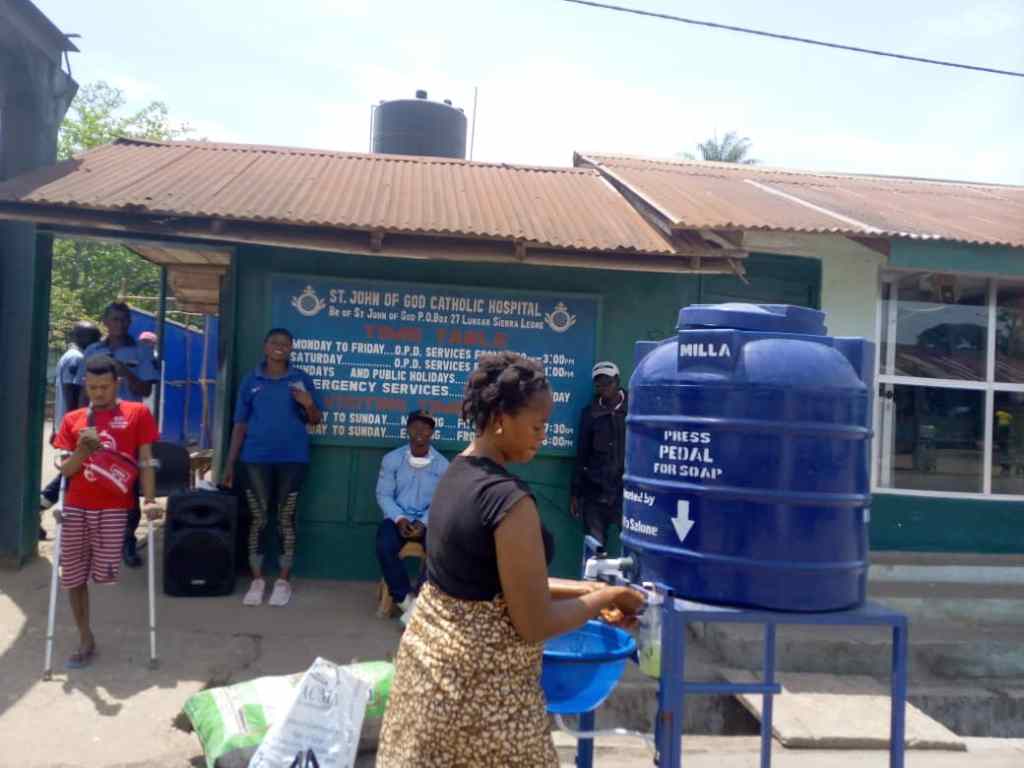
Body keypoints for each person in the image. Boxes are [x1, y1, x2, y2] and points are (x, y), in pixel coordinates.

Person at [377, 352, 645, 767]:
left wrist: (593, 591)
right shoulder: (509, 502)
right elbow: (533, 620)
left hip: (428, 686)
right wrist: (604, 597)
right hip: (483, 707)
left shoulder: (457, 474)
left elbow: (497, 581)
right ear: (501, 417)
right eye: (537, 425)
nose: (543, 435)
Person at [52, 355, 161, 669]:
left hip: (115, 507)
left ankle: (90, 633)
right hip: (76, 505)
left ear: (117, 384)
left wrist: (150, 499)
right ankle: (85, 637)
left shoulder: (137, 413)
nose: (97, 393)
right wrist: (83, 450)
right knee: (72, 575)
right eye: (92, 386)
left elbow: (146, 461)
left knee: (106, 574)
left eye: (104, 386)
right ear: (85, 384)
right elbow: (66, 470)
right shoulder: (73, 419)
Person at [223, 328, 324, 608]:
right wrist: (230, 463)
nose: (280, 347)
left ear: (291, 349)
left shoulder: (300, 379)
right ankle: (257, 581)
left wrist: (308, 403)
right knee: (259, 519)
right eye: (274, 342)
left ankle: (282, 581)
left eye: (285, 344)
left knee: (285, 519)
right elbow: (240, 425)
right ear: (265, 346)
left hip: (293, 459)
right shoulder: (251, 380)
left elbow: (316, 420)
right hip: (255, 458)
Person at [76, 302, 161, 568]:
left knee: (128, 485)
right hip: (95, 426)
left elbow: (146, 389)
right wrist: (76, 424)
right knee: (92, 482)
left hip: (127, 427)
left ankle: (127, 542)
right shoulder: (92, 351)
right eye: (115, 319)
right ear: (105, 321)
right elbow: (82, 390)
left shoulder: (141, 351)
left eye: (125, 320)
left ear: (130, 323)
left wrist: (124, 371)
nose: (120, 325)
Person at [375, 410, 449, 622]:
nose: (420, 431)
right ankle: (404, 600)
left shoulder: (443, 465)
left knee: (439, 550)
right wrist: (400, 519)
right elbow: (384, 494)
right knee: (384, 545)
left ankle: (420, 599)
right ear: (408, 429)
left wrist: (424, 522)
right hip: (397, 520)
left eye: (426, 427)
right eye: (416, 426)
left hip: (427, 521)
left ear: (431, 433)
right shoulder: (392, 459)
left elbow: (441, 502)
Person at [39, 321, 101, 540]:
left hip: (67, 423)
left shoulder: (69, 356)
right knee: (72, 473)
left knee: (74, 472)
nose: (97, 343)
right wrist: (76, 428)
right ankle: (41, 505)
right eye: (94, 338)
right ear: (82, 338)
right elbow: (73, 393)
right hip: (75, 427)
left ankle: (42, 504)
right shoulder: (76, 359)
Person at [571, 361, 629, 547]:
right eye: (599, 384)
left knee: (632, 548)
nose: (603, 388)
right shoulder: (590, 414)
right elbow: (582, 454)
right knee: (594, 549)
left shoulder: (635, 409)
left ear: (617, 381)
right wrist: (576, 493)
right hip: (595, 493)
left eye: (607, 382)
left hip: (626, 494)